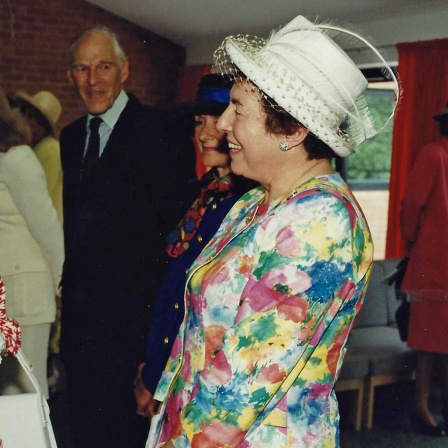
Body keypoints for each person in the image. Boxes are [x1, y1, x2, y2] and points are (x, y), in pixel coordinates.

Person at [148, 15, 399, 448]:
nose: (223, 123)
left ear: (293, 130)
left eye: (238, 110)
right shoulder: (252, 203)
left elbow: (239, 389)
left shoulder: (321, 225)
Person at [59, 25, 198, 448]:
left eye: (103, 66)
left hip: (135, 330)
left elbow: (175, 240)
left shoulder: (160, 132)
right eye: (82, 69)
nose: (92, 79)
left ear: (124, 70)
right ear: (70, 77)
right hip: (82, 331)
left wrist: (156, 345)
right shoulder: (69, 138)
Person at [133, 73, 256, 419]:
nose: (203, 133)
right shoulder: (205, 196)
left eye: (216, 121)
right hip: (166, 371)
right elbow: (173, 292)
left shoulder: (243, 206)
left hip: (198, 386)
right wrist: (152, 366)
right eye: (200, 122)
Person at [0, 86, 64, 400]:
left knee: (26, 401)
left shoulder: (16, 156)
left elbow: (47, 228)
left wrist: (63, 285)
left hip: (25, 298)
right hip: (8, 295)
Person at [400, 103, 448, 437]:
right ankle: (421, 408)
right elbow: (411, 207)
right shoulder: (433, 155)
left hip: (438, 263)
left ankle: (435, 406)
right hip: (434, 266)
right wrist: (415, 241)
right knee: (428, 345)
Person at [15, 90, 63, 224]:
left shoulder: (51, 150)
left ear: (43, 124)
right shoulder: (38, 148)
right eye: (25, 112)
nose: (25, 119)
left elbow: (37, 197)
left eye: (31, 116)